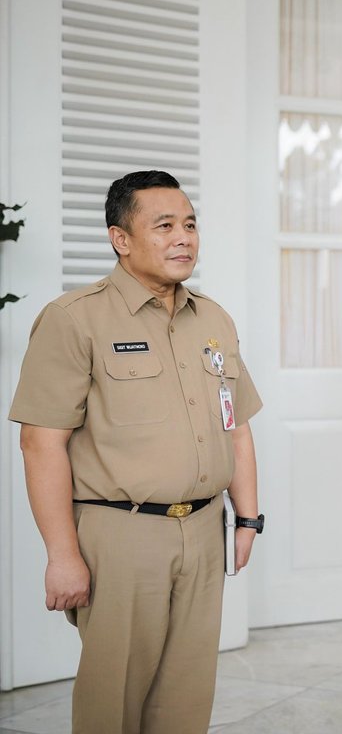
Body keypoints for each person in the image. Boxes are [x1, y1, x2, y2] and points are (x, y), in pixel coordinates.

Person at [9, 170, 263, 733]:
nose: (184, 238)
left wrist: (247, 519)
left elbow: (237, 427)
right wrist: (62, 554)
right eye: (165, 225)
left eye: (191, 224)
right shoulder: (75, 319)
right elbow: (40, 442)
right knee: (113, 699)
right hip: (119, 536)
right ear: (120, 239)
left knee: (186, 696)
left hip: (202, 531)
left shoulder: (214, 319)